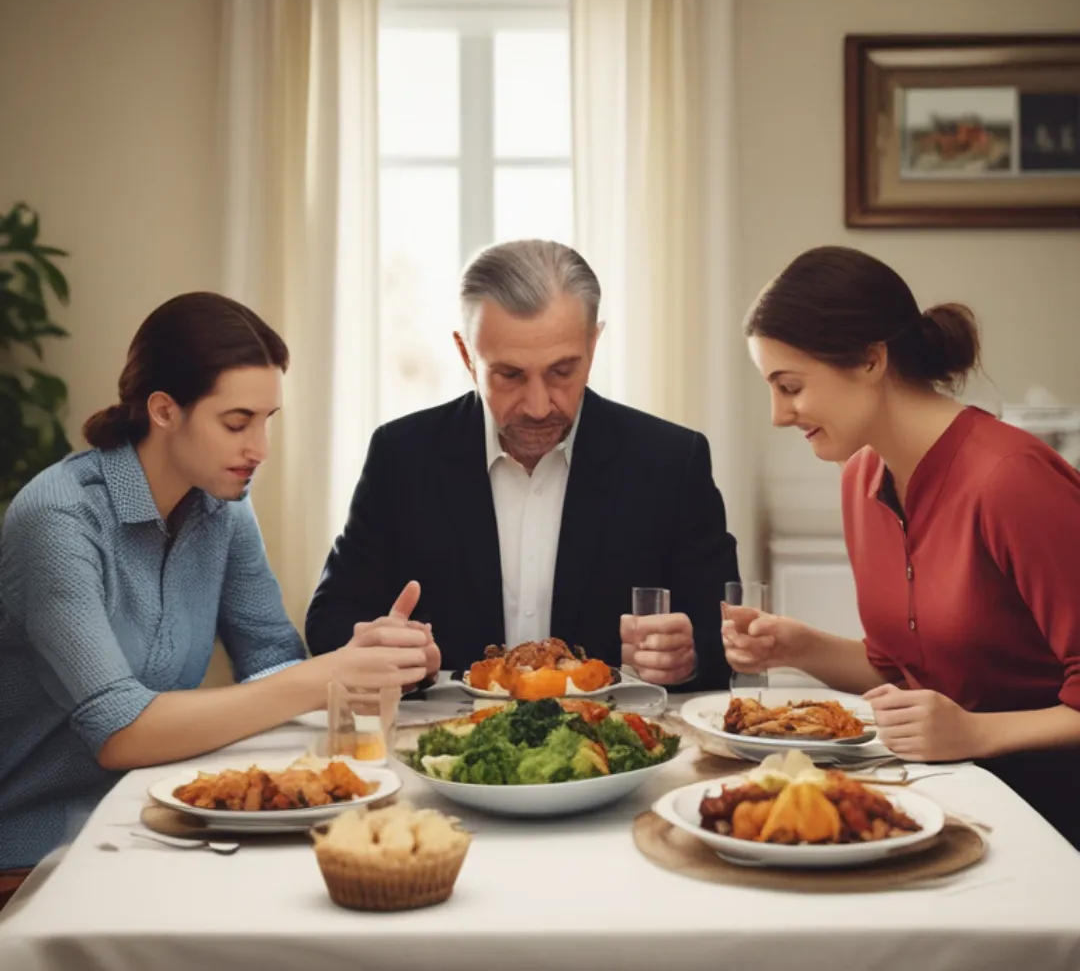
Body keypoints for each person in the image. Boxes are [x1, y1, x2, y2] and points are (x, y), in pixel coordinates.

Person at [0, 292, 436, 884]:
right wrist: (322, 676)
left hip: (159, 813)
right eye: (236, 422)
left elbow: (272, 662)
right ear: (163, 410)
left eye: (266, 421)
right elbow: (120, 733)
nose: (259, 449)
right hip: (43, 844)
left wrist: (371, 663)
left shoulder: (222, 507)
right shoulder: (57, 519)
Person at [724, 245, 1080, 847]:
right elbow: (905, 674)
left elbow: (962, 720)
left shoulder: (1010, 479)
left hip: (1048, 815)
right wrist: (800, 646)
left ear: (869, 361)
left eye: (790, 386)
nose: (779, 414)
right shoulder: (861, 478)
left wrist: (977, 734)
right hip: (939, 798)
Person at [306, 240, 739, 689]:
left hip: (620, 747)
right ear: (465, 354)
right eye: (509, 375)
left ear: (593, 345)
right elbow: (329, 619)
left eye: (562, 372)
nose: (536, 407)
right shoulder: (400, 456)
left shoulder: (672, 461)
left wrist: (688, 656)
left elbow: (724, 637)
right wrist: (389, 649)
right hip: (442, 745)